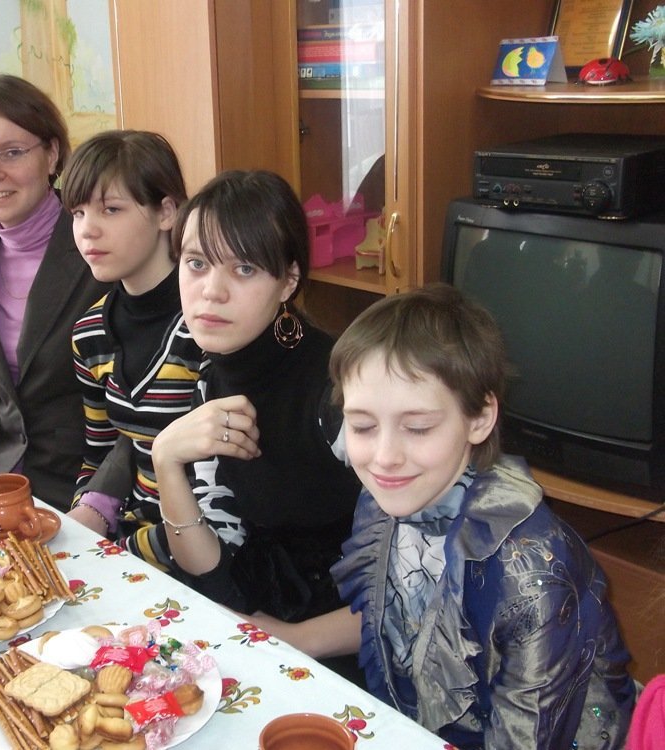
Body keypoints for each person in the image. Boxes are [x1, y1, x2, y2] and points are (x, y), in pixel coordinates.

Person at [262, 283, 636, 748]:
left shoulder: (529, 572)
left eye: (418, 427)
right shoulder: (394, 497)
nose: (384, 457)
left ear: (479, 419)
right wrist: (298, 637)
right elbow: (400, 617)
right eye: (362, 425)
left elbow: (526, 735)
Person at [151, 170, 361, 627]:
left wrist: (300, 640)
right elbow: (211, 570)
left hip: (351, 637)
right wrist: (165, 458)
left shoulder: (339, 392)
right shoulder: (215, 371)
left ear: (289, 281)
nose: (212, 291)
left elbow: (420, 573)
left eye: (244, 269)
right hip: (262, 620)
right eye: (196, 263)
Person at [0, 75, 115, 511]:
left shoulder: (100, 241)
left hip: (85, 486)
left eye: (12, 152)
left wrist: (98, 502)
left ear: (51, 153)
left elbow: (137, 406)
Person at [60, 130, 202, 554]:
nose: (88, 230)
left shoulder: (208, 324)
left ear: (166, 212)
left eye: (111, 209)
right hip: (131, 541)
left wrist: (128, 550)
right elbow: (99, 452)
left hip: (200, 546)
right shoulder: (89, 333)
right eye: (78, 213)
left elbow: (228, 486)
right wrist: (86, 516)